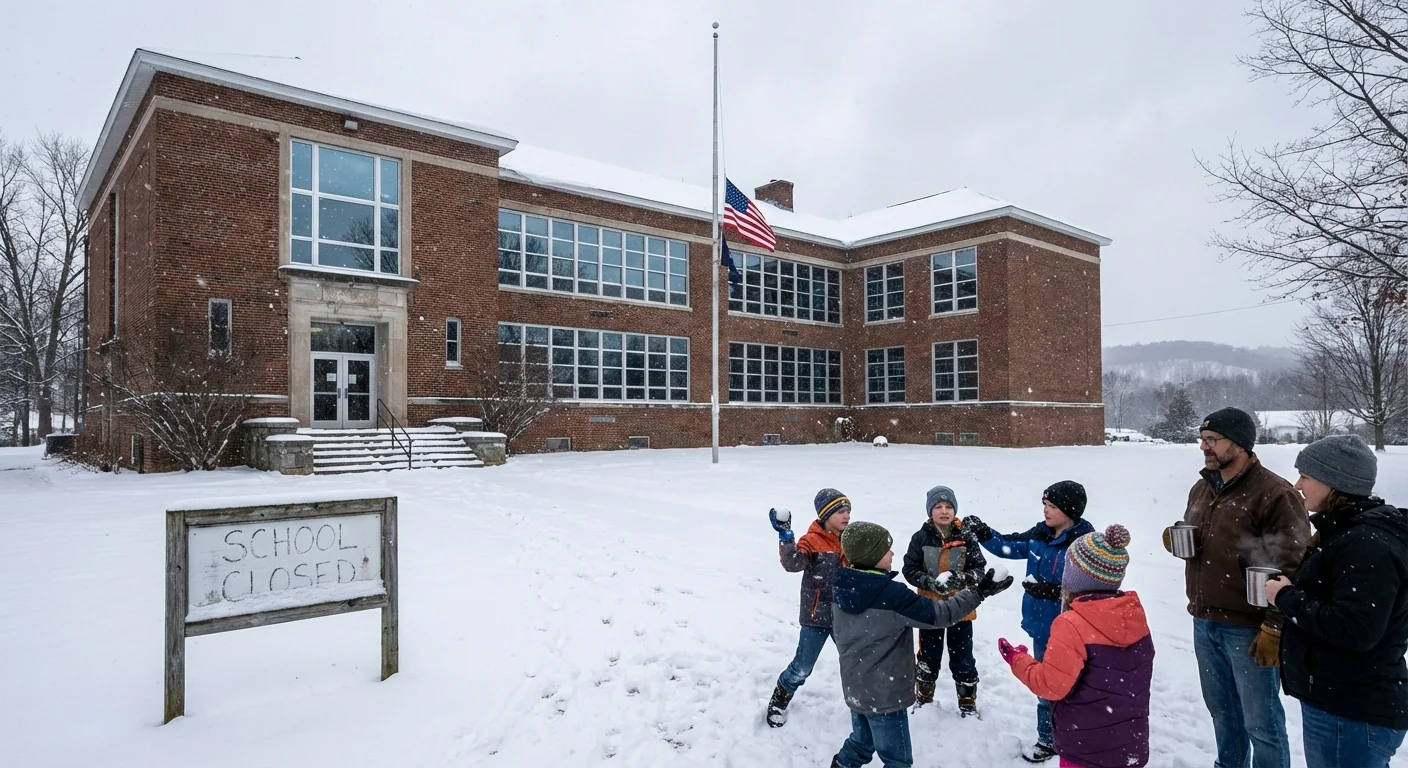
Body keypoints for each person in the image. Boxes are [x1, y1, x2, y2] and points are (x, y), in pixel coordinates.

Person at [1161, 407, 1308, 768]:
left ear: (1239, 444)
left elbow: (1293, 565)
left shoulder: (1275, 493)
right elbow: (1201, 534)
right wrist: (1177, 537)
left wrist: (1274, 625)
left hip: (1249, 629)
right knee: (1223, 715)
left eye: (1212, 440)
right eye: (1202, 440)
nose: (1203, 447)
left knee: (1263, 724)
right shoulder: (1202, 486)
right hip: (1204, 619)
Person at [1263, 435, 1408, 768]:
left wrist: (1287, 597)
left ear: (1335, 483)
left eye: (1306, 476)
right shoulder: (1346, 532)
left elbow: (1356, 628)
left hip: (1352, 711)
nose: (1297, 485)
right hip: (1339, 702)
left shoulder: (1365, 544)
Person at [830, 521, 1013, 768]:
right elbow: (941, 615)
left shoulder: (842, 587)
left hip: (856, 685)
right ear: (872, 556)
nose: (892, 553)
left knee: (861, 742)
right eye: (886, 550)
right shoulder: (891, 596)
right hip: (886, 694)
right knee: (898, 761)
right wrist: (979, 591)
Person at [964, 481, 1095, 763]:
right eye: (1044, 505)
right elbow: (1008, 547)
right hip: (1040, 627)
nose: (1046, 511)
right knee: (1046, 686)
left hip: (1072, 630)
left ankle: (1076, 741)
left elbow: (1094, 588)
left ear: (1069, 511)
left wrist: (1053, 591)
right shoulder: (1039, 535)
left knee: (1073, 688)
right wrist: (985, 533)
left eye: (1052, 506)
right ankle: (1048, 741)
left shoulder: (1084, 543)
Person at [1002, 524, 1154, 768]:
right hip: (1129, 746)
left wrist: (1017, 659)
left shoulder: (1072, 623)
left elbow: (1050, 685)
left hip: (1084, 747)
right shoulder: (1133, 615)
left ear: (1075, 576)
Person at [764, 488, 852, 727]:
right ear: (825, 515)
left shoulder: (852, 538)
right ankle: (779, 700)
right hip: (816, 616)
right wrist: (785, 536)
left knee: (855, 663)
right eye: (840, 511)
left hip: (845, 615)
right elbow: (793, 564)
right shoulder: (811, 540)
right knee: (802, 667)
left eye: (848, 511)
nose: (846, 516)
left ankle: (864, 706)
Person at [900, 485, 986, 715]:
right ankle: (924, 699)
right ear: (930, 511)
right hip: (930, 609)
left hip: (962, 609)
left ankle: (967, 703)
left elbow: (979, 568)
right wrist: (930, 583)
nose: (944, 511)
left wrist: (962, 579)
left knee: (963, 657)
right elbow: (909, 569)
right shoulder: (920, 538)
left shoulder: (966, 536)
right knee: (929, 654)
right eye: (938, 507)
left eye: (948, 506)